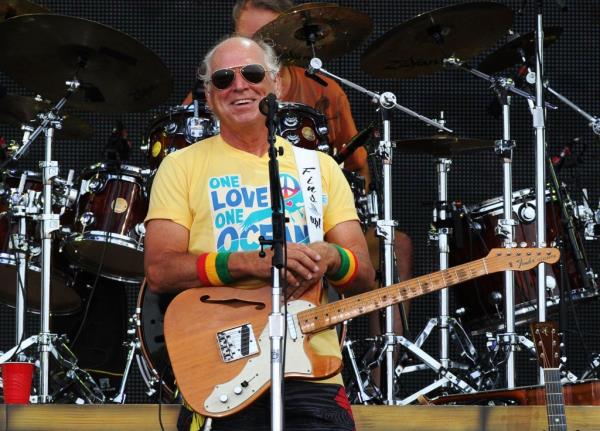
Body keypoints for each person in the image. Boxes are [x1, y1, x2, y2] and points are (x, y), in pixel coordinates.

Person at [145, 36, 375, 431]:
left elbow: (364, 277)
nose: (239, 85)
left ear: (276, 84)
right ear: (209, 94)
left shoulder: (318, 167)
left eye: (252, 74)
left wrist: (331, 256)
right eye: (223, 79)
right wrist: (249, 261)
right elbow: (160, 270)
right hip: (220, 365)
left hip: (312, 371)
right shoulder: (180, 166)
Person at [230, 0, 414, 390]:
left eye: (266, 44)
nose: (252, 57)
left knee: (394, 246)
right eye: (246, 41)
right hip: (236, 222)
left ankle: (385, 385)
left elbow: (359, 170)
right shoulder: (223, 86)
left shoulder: (324, 89)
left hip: (321, 222)